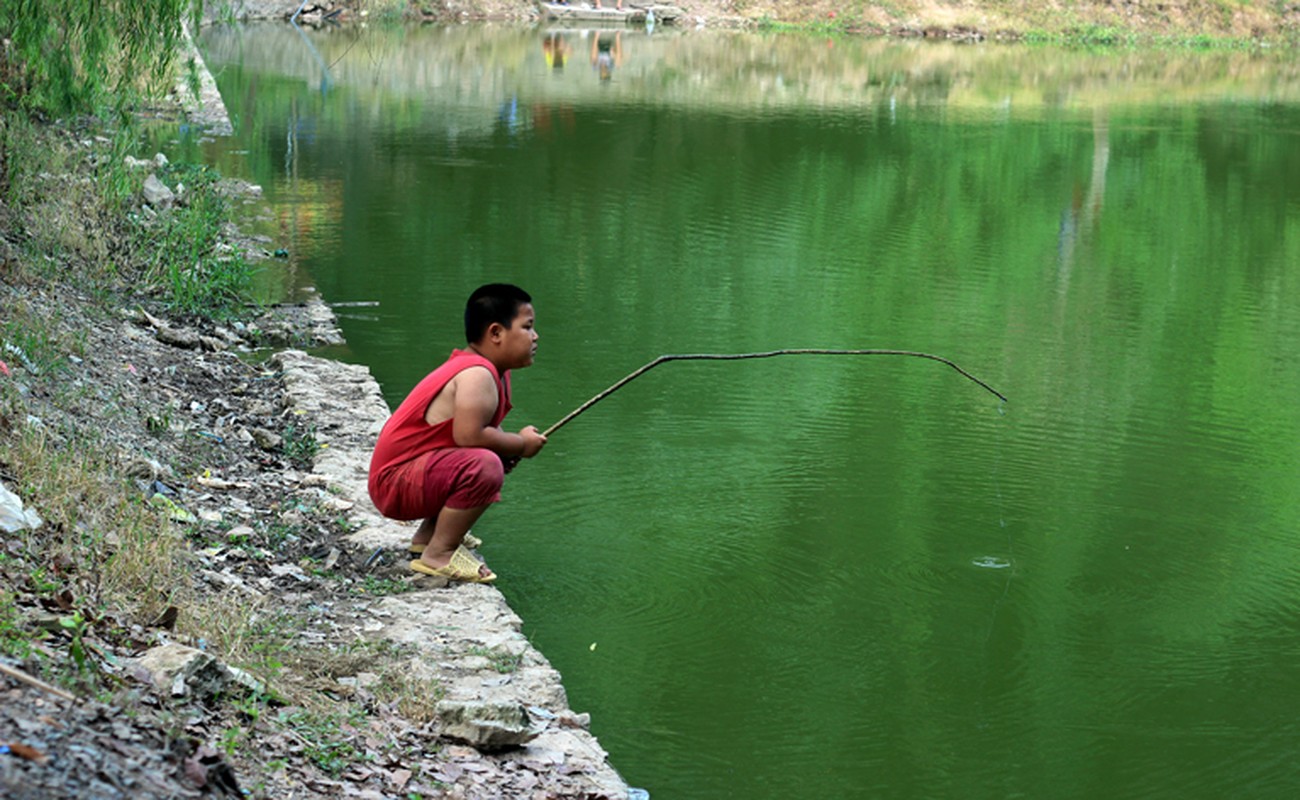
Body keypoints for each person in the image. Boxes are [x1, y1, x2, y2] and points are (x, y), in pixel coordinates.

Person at [368, 284, 547, 583]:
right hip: (394, 485)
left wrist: (509, 448)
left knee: (494, 458)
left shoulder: (494, 371)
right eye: (527, 327)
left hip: (410, 476)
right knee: (485, 466)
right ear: (495, 333)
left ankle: (428, 537)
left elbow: (481, 433)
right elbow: (469, 437)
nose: (535, 336)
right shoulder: (476, 374)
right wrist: (520, 443)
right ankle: (439, 554)